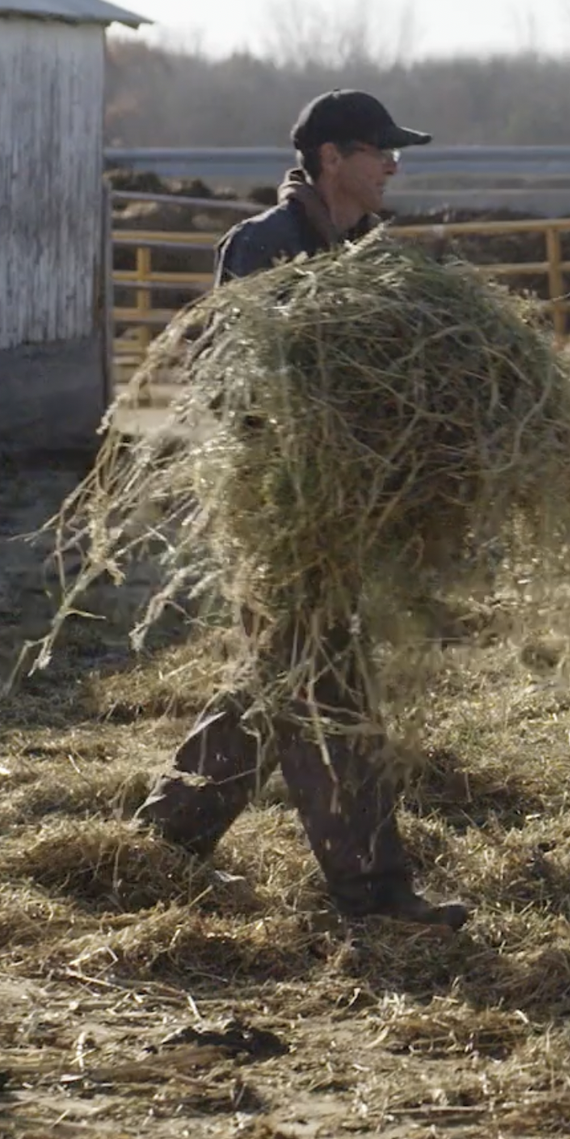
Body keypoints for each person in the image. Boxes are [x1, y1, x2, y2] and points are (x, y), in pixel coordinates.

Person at [132, 89, 467, 929]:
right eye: (378, 150)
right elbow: (231, 379)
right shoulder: (265, 247)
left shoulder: (372, 253)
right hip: (279, 511)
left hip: (345, 514)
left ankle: (159, 842)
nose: (394, 164)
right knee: (327, 692)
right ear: (330, 158)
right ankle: (374, 893)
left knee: (271, 688)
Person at [214, 88, 432, 285]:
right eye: (382, 154)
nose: (392, 169)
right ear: (332, 158)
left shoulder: (381, 253)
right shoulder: (261, 242)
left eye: (394, 155)